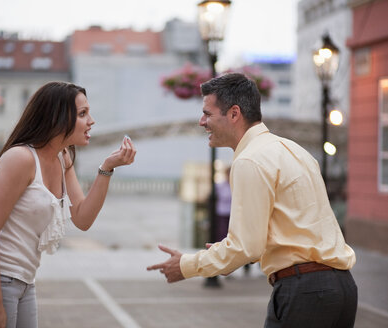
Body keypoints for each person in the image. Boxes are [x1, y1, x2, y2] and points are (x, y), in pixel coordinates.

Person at [147, 73, 357, 327]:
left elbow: (246, 247)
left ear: (234, 114)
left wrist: (187, 265)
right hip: (342, 289)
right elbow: (293, 228)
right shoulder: (295, 151)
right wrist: (232, 247)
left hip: (304, 291)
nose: (201, 121)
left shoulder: (250, 160)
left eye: (207, 113)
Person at [0, 81, 136, 328]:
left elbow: (83, 219)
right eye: (83, 113)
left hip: (24, 280)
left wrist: (107, 167)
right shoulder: (21, 158)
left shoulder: (62, 157)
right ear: (58, 118)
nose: (91, 121)